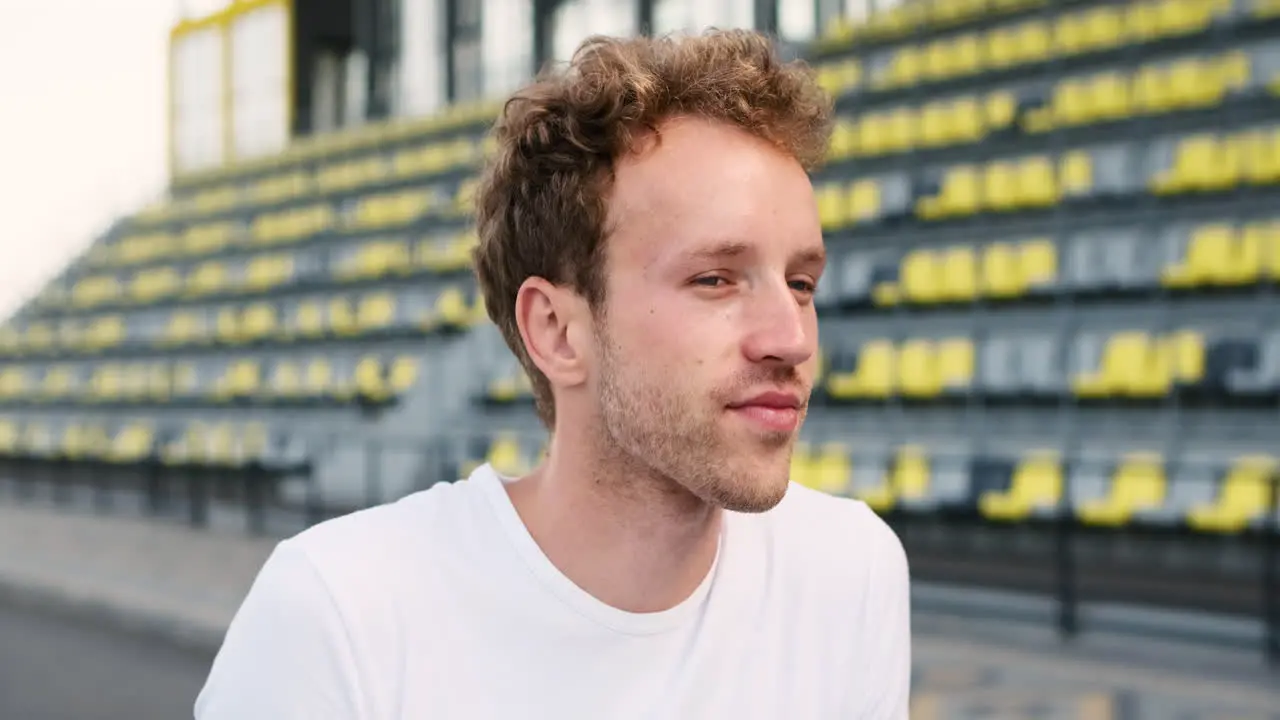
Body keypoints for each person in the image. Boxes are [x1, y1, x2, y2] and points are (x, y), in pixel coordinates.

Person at [194, 28, 911, 720]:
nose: (790, 337)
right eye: (716, 279)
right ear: (557, 331)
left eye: (802, 283)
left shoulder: (851, 574)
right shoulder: (340, 615)